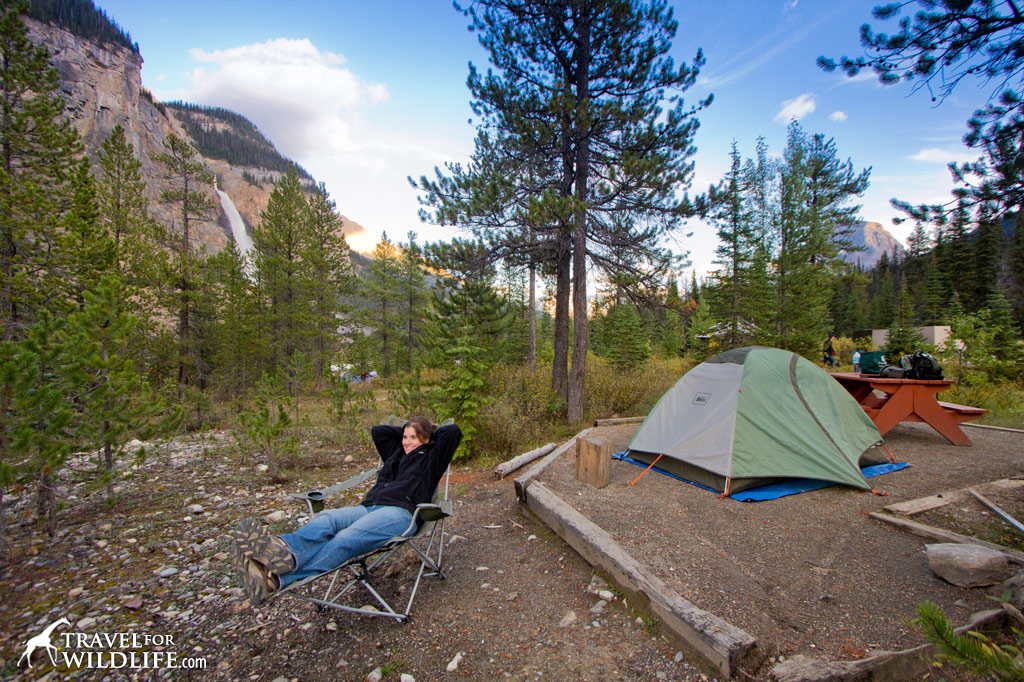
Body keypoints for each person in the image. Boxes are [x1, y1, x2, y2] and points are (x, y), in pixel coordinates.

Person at [230, 417, 462, 605]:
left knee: (345, 538)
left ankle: (278, 580)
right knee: (327, 519)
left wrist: (429, 433)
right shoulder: (395, 453)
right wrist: (407, 427)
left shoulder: (433, 458)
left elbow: (452, 431)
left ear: (426, 439)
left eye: (413, 437)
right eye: (404, 436)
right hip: (368, 508)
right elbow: (378, 431)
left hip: (401, 514)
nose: (407, 441)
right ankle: (281, 550)